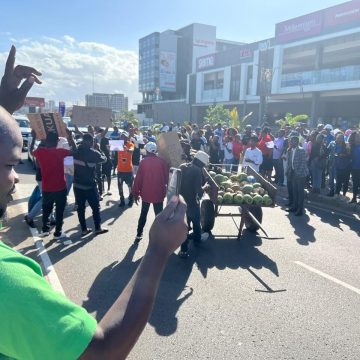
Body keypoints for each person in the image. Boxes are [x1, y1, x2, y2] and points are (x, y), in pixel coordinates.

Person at [0, 45, 189, 360]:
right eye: (9, 164)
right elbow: (102, 352)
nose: (16, 176)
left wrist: (4, 107)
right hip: (96, 191)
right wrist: (157, 250)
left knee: (67, 212)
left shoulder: (68, 153)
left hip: (86, 189)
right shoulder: (7, 285)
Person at [32, 130, 73, 240]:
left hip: (47, 188)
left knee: (46, 210)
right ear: (57, 141)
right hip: (60, 187)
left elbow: (32, 151)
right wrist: (70, 138)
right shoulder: (61, 152)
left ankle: (45, 229)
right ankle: (58, 232)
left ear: (46, 141)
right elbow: (74, 151)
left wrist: (33, 137)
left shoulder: (40, 152)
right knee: (59, 211)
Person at [72, 133, 109, 237]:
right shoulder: (93, 153)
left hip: (77, 185)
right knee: (96, 207)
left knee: (81, 208)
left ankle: (84, 230)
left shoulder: (75, 151)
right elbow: (104, 159)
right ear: (91, 142)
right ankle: (98, 228)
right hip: (90, 185)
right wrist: (99, 149)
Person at [133, 142, 169, 242]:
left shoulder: (143, 162)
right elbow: (167, 178)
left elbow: (138, 179)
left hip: (146, 193)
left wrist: (136, 193)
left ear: (147, 150)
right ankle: (160, 236)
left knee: (143, 214)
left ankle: (139, 234)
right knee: (159, 216)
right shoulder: (162, 162)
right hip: (159, 193)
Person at [178, 151, 210, 258]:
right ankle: (196, 241)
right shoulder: (197, 171)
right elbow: (198, 190)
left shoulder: (182, 166)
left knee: (184, 226)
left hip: (181, 201)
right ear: (200, 162)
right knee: (196, 222)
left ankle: (183, 250)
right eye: (203, 165)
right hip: (192, 202)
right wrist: (205, 186)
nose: (203, 167)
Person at [286, 135, 309, 216]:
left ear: (297, 142)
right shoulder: (291, 150)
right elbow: (290, 162)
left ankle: (300, 210)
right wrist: (288, 171)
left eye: (292, 141)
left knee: (300, 192)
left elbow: (303, 163)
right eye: (290, 141)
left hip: (301, 174)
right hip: (293, 173)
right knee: (294, 191)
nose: (291, 143)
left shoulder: (301, 150)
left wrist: (298, 173)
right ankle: (294, 207)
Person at [117, 132, 135, 207]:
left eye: (124, 137)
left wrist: (127, 149)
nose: (122, 138)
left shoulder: (130, 144)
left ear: (127, 138)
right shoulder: (118, 144)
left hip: (128, 171)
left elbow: (131, 150)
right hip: (120, 171)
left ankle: (131, 199)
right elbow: (109, 148)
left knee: (130, 186)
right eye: (121, 137)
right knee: (120, 186)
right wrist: (109, 147)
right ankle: (122, 200)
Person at [332, 133, 351, 197]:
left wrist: (343, 155)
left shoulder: (346, 145)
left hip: (346, 166)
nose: (339, 139)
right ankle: (337, 194)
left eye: (341, 138)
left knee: (345, 181)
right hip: (338, 166)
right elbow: (334, 154)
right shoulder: (335, 145)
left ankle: (344, 194)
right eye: (338, 138)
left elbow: (349, 155)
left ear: (343, 139)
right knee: (338, 181)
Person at [98, 128, 113, 195]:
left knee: (109, 175)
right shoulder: (97, 139)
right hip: (101, 160)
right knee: (102, 176)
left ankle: (109, 189)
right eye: (101, 132)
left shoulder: (108, 139)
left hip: (108, 160)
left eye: (103, 132)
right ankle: (103, 188)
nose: (101, 133)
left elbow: (112, 149)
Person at [349, 131, 360, 204]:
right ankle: (354, 198)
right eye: (357, 136)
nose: (358, 137)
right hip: (354, 168)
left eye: (359, 136)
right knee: (355, 183)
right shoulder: (352, 146)